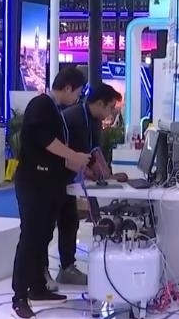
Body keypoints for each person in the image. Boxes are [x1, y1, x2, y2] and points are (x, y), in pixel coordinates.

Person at [11, 67, 94, 319]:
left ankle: (37, 287)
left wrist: (78, 163)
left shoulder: (54, 109)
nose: (78, 97)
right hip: (34, 184)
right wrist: (73, 156)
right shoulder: (41, 105)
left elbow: (52, 148)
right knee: (31, 238)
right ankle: (19, 297)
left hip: (49, 185)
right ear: (68, 87)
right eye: (78, 92)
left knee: (43, 236)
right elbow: (46, 140)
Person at [41, 83, 124, 289]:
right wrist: (99, 173)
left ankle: (67, 268)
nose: (112, 112)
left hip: (66, 179)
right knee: (45, 228)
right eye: (110, 107)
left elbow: (94, 151)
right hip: (50, 178)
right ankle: (40, 274)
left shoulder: (93, 120)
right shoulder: (76, 117)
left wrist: (108, 176)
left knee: (69, 221)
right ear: (100, 103)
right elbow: (78, 154)